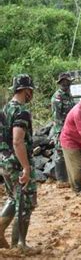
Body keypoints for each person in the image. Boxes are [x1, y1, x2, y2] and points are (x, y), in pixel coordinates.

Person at [0, 74, 37, 249]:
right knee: (25, 201)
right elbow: (17, 140)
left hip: (3, 161)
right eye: (30, 91)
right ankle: (19, 245)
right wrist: (26, 168)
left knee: (13, 198)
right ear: (25, 90)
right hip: (16, 163)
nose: (31, 94)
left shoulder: (5, 109)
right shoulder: (21, 111)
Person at [50, 72, 75, 188]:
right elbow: (57, 117)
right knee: (60, 153)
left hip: (69, 128)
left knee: (69, 152)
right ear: (60, 83)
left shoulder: (68, 95)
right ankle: (61, 179)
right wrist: (62, 131)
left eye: (68, 82)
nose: (66, 84)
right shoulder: (57, 97)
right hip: (61, 129)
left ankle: (69, 177)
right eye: (64, 82)